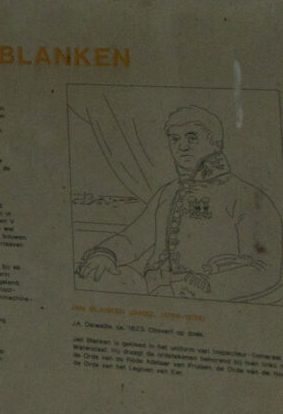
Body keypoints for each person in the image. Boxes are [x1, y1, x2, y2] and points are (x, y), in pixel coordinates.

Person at [76, 105, 283, 302]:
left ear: (217, 143)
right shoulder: (168, 192)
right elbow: (134, 238)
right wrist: (106, 254)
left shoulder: (248, 197)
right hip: (153, 296)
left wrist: (192, 290)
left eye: (192, 138)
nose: (181, 146)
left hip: (208, 305)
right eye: (174, 139)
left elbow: (264, 269)